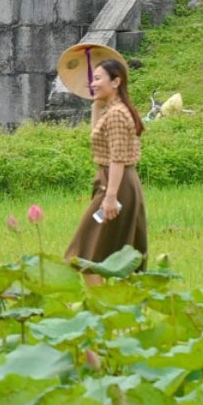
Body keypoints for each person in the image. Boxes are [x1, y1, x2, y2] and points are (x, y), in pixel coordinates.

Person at [65, 58, 147, 284]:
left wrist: (110, 197)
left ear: (116, 82)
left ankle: (100, 309)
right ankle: (112, 309)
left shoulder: (118, 115)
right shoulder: (111, 111)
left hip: (116, 185)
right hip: (114, 182)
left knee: (87, 252)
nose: (93, 83)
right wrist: (96, 106)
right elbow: (96, 139)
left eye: (98, 78)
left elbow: (118, 158)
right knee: (107, 251)